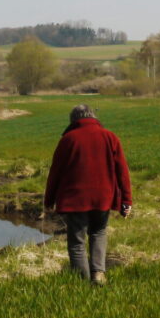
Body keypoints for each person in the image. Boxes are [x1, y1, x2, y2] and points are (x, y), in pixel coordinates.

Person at [44, 104, 133, 287]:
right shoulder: (110, 137)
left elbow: (55, 172)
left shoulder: (68, 139)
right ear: (94, 117)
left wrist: (49, 200)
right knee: (99, 232)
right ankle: (98, 274)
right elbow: (122, 172)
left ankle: (81, 282)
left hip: (75, 199)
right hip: (103, 198)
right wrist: (126, 202)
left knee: (77, 241)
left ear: (73, 120)